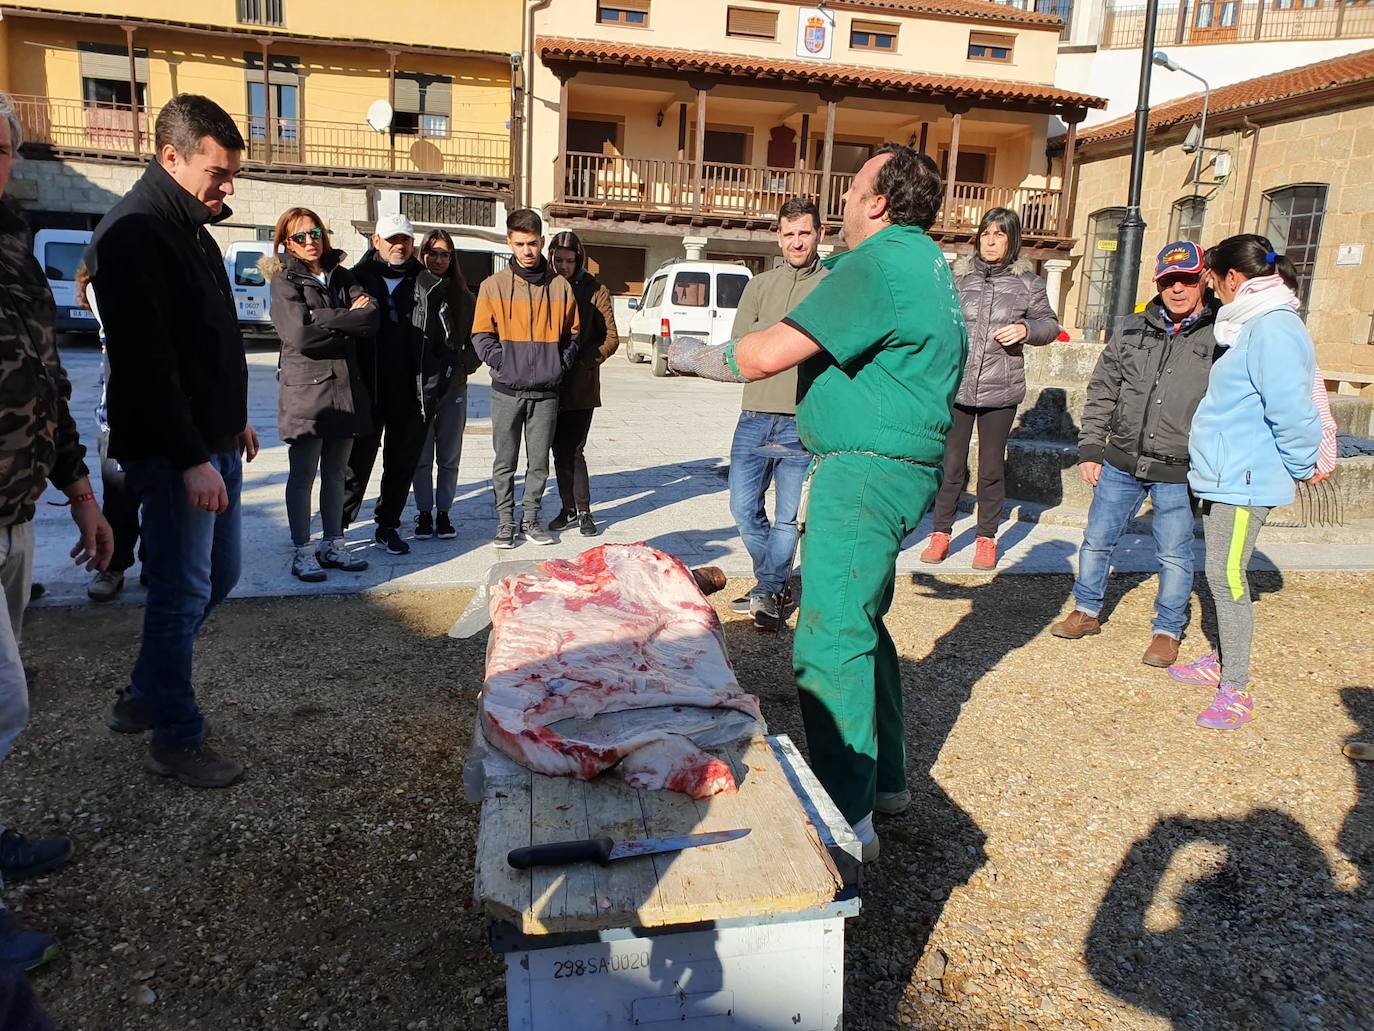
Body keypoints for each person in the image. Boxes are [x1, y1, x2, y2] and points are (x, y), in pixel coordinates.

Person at [670, 145, 968, 860]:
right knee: (865, 622)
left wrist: (684, 354)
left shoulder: (881, 262)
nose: (841, 200)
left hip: (863, 470)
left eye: (854, 186)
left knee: (830, 638)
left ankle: (844, 821)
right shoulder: (925, 262)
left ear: (878, 201)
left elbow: (765, 354)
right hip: (901, 467)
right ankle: (885, 784)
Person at [86, 93, 258, 789]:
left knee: (219, 578)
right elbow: (148, 365)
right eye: (217, 172)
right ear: (171, 156)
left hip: (214, 438)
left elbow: (206, 343)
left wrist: (232, 417)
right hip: (175, 451)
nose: (227, 186)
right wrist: (190, 456)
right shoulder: (132, 234)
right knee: (183, 593)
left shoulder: (191, 228)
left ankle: (145, 692)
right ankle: (176, 736)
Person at [0, 89, 114, 967]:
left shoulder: (14, 253)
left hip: (14, 510)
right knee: (3, 701)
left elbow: (47, 384)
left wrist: (79, 491)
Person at [1174, 235, 1322, 730]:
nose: (1209, 290)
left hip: (1247, 477)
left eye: (1211, 280)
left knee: (1227, 575)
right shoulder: (1250, 325)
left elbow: (1291, 407)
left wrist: (1303, 465)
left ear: (1233, 278)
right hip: (1227, 473)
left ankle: (1235, 687)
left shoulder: (1273, 329)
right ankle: (1221, 660)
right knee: (1220, 571)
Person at [1049, 241, 1219, 668]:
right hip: (1121, 459)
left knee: (1175, 554)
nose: (1176, 289)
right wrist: (1090, 446)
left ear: (1203, 279)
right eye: (1167, 280)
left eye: (1185, 279)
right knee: (1097, 540)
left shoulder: (1222, 334)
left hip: (1179, 469)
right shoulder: (1129, 328)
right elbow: (1103, 389)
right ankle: (1086, 610)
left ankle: (1167, 630)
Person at [921, 208, 1059, 570]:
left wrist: (1026, 331)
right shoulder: (959, 278)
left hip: (1002, 388)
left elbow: (1049, 325)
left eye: (999, 234)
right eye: (986, 234)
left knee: (991, 468)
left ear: (1012, 240)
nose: (991, 241)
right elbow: (938, 320)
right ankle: (941, 533)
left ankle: (986, 538)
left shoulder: (1029, 283)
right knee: (951, 465)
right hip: (959, 387)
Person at [723, 197, 827, 629]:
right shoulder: (759, 285)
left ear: (820, 233)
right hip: (754, 415)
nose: (797, 241)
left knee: (787, 517)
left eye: (804, 232)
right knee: (742, 508)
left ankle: (768, 592)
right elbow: (739, 347)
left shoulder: (832, 285)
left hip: (800, 418)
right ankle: (776, 581)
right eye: (789, 233)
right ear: (778, 237)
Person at [263, 207, 378, 581]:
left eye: (314, 233)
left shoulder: (342, 275)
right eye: (300, 237)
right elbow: (298, 335)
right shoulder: (284, 280)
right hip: (307, 393)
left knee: (336, 474)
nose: (310, 242)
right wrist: (344, 317)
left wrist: (323, 318)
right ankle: (301, 548)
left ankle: (334, 543)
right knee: (303, 475)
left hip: (344, 389)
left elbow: (370, 320)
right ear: (286, 242)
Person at [342, 213, 451, 555]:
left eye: (404, 240)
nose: (397, 246)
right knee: (355, 465)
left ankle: (387, 525)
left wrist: (434, 388)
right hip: (367, 390)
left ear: (412, 244)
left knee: (401, 464)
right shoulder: (354, 280)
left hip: (412, 392)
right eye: (391, 239)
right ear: (376, 241)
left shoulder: (429, 284)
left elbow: (444, 343)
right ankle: (338, 529)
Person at [472, 209, 579, 549]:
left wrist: (557, 366)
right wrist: (504, 364)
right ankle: (506, 522)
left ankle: (531, 519)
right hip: (506, 391)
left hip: (546, 393)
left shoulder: (560, 287)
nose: (527, 251)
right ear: (509, 243)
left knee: (538, 463)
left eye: (532, 243)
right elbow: (480, 335)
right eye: (519, 244)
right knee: (504, 461)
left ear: (542, 242)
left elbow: (573, 336)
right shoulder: (493, 286)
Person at [77, 262, 145, 603]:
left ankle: (155, 562)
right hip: (117, 416)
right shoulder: (103, 285)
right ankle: (113, 566)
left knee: (164, 497)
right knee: (120, 497)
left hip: (166, 413)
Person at [547, 230, 620, 539]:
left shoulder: (595, 290)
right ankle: (567, 508)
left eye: (570, 260)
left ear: (579, 260)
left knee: (574, 450)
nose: (563, 266)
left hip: (580, 386)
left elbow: (611, 337)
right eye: (558, 259)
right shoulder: (543, 286)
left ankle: (585, 510)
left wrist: (584, 361)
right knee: (556, 452)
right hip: (547, 383)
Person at [412, 228, 479, 542]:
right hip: (420, 388)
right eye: (433, 253)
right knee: (421, 457)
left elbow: (478, 340)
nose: (438, 259)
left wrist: (463, 367)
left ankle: (444, 513)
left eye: (444, 254)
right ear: (423, 253)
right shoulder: (413, 290)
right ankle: (424, 514)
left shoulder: (464, 296)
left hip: (454, 387)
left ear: (452, 258)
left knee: (449, 456)